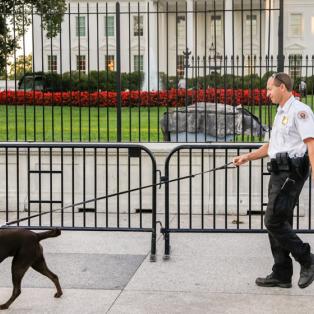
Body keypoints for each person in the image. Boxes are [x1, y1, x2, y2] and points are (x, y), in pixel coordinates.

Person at [233, 72, 314, 289]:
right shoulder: (280, 113)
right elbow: (273, 146)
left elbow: (311, 144)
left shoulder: (300, 111)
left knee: (273, 221)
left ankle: (307, 260)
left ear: (283, 87)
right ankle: (282, 273)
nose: (267, 93)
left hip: (291, 174)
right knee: (279, 221)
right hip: (278, 173)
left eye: (270, 89)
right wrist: (247, 157)